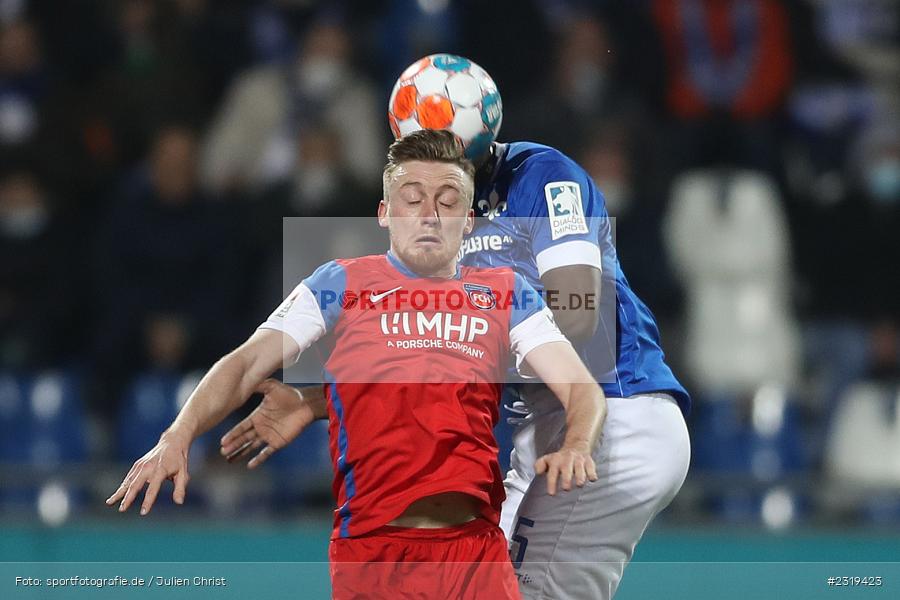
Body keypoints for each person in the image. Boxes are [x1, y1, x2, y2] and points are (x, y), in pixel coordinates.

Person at [224, 54, 691, 599]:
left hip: (615, 412)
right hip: (539, 431)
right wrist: (315, 401)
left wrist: (473, 337)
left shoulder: (543, 175)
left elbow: (577, 314)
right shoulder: (438, 228)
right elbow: (418, 357)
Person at [108, 130, 607, 599]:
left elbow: (582, 389)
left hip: (475, 556)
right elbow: (245, 363)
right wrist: (177, 436)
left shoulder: (505, 293)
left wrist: (577, 445)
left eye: (448, 199)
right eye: (412, 198)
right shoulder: (340, 284)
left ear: (469, 219)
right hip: (373, 557)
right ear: (384, 213)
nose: (430, 215)